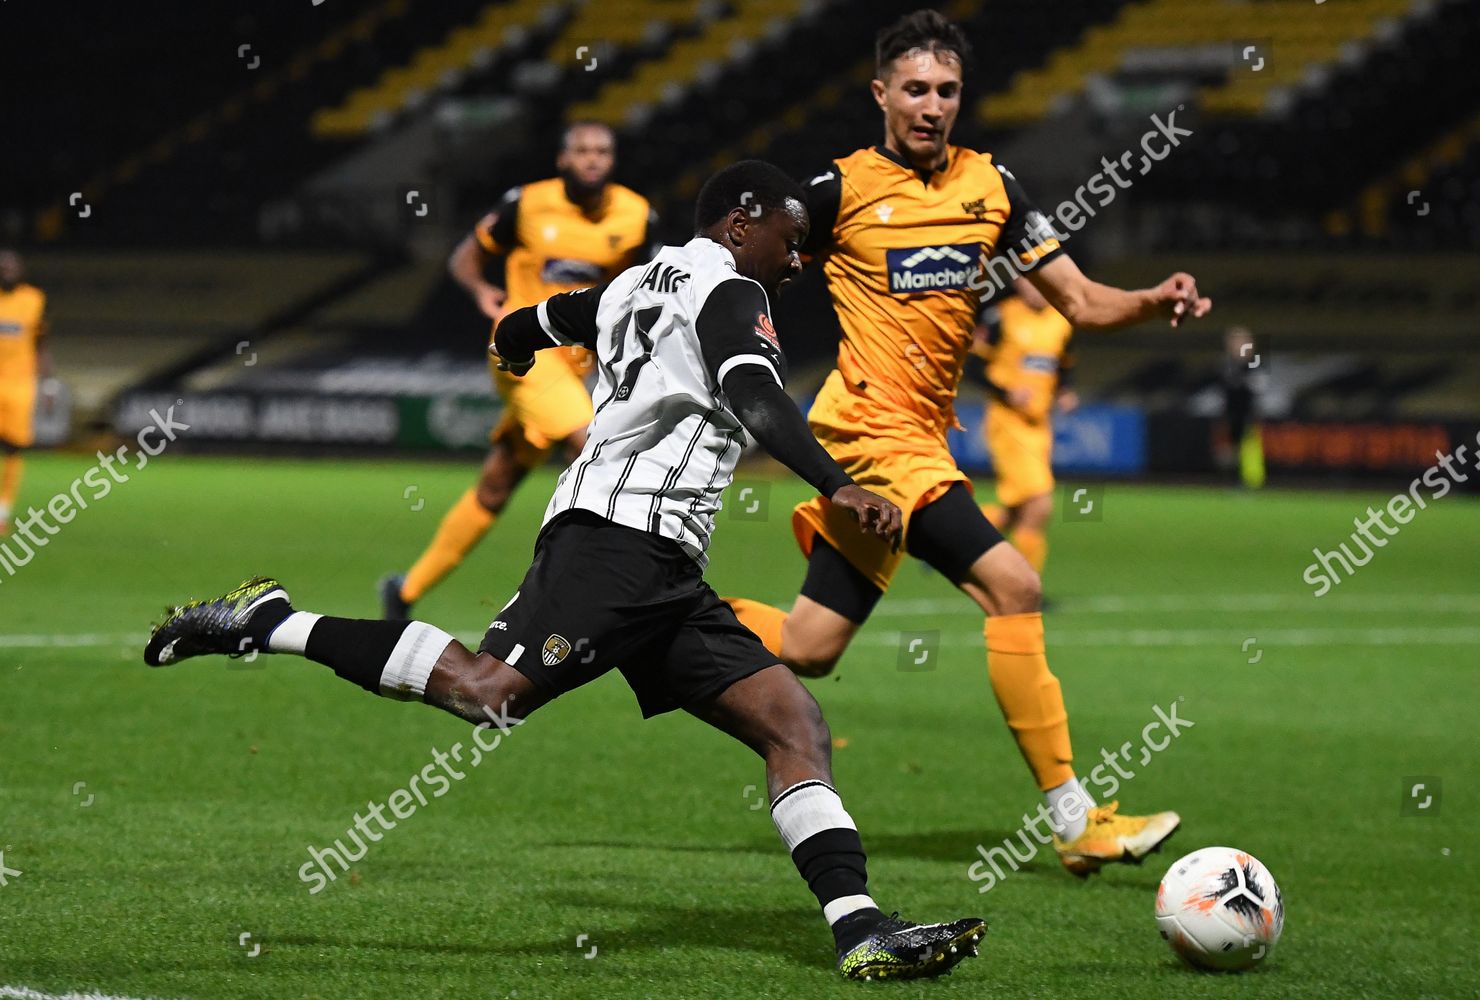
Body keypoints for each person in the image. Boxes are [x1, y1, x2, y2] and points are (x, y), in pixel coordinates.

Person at [146, 161, 986, 982]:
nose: (798, 256)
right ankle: (268, 622)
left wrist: (511, 351)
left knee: (791, 723)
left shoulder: (632, 282)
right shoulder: (735, 292)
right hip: (615, 544)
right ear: (739, 223)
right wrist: (838, 486)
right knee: (488, 691)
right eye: (790, 236)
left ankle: (861, 931)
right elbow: (758, 398)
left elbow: (532, 321)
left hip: (663, 565)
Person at [724, 10, 1211, 877]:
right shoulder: (838, 191)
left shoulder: (993, 188)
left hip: (918, 443)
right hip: (871, 435)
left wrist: (1152, 298)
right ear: (881, 94)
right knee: (1014, 584)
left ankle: (656, 620)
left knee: (808, 648)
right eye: (914, 89)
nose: (932, 105)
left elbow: (1085, 302)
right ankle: (1075, 819)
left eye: (946, 90)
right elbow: (739, 257)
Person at [382, 121, 657, 620]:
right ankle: (625, 589)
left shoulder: (637, 216)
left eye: (602, 151)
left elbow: (649, 286)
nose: (592, 159)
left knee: (498, 482)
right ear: (563, 159)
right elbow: (466, 257)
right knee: (597, 446)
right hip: (522, 352)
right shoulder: (526, 204)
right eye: (582, 150)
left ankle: (403, 591)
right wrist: (480, 290)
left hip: (579, 364)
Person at [969, 274, 1078, 575]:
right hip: (1007, 423)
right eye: (1033, 282)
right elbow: (973, 367)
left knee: (1016, 512)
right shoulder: (1000, 317)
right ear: (1018, 282)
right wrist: (1007, 392)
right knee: (1040, 504)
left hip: (1040, 425)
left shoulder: (1060, 321)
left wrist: (1065, 392)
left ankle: (950, 540)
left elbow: (1064, 364)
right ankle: (1027, 585)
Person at [0, 250, 51, 536]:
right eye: (1, 266)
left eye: (11, 266)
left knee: (14, 448)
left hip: (21, 384)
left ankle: (3, 511)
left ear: (21, 270)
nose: (6, 270)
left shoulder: (34, 300)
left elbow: (42, 343)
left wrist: (50, 383)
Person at [1219, 325, 1265, 489]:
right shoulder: (1228, 362)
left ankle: (1250, 481)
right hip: (1230, 412)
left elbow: (1258, 385)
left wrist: (1242, 380)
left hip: (1248, 412)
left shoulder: (1254, 361)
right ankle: (1231, 479)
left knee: (1248, 447)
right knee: (1229, 448)